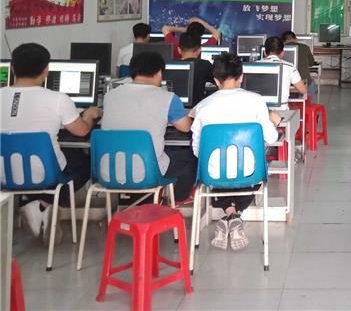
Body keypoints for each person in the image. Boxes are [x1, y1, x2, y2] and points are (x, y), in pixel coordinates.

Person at [1, 43, 99, 241]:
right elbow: (81, 131)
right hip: (45, 175)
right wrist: (89, 115)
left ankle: (36, 205)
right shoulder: (58, 99)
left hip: (3, 174)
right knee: (86, 163)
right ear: (46, 70)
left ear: (13, 69)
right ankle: (43, 204)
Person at [191, 53, 282, 251]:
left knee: (218, 168)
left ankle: (229, 215)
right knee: (250, 167)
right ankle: (235, 216)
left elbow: (198, 151)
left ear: (215, 81)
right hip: (251, 174)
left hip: (212, 176)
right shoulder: (256, 101)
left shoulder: (202, 106)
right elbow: (272, 138)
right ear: (241, 76)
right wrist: (274, 122)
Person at [101, 52, 195, 201]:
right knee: (191, 158)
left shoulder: (110, 96)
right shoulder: (168, 98)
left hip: (107, 173)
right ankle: (176, 200)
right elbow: (185, 127)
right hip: (147, 173)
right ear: (159, 73)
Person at [262, 36, 307, 114]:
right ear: (282, 53)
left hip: (259, 112)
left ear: (264, 53)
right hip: (281, 112)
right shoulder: (290, 67)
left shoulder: (253, 66)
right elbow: (303, 90)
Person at [177, 32, 214, 105]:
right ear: (199, 50)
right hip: (198, 106)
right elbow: (217, 82)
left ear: (179, 50)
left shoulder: (170, 65)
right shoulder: (205, 65)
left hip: (176, 106)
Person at [282, 31, 318, 95]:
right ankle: (307, 99)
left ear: (284, 41)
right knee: (313, 86)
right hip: (304, 83)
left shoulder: (281, 49)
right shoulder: (305, 47)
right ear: (295, 38)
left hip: (287, 83)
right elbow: (311, 63)